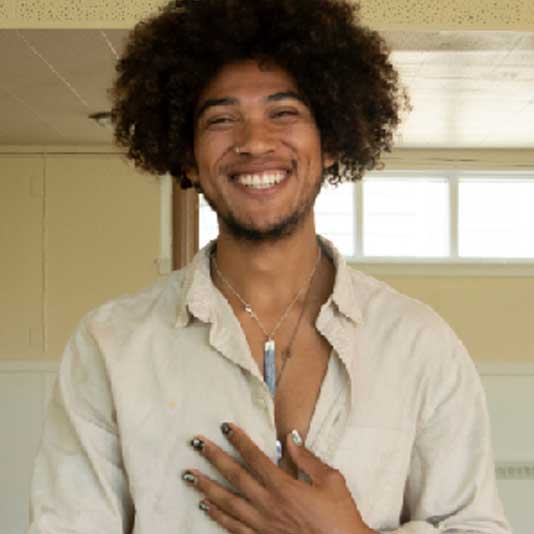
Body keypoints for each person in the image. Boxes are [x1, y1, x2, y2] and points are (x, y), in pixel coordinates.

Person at [28, 1, 511, 533]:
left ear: (331, 140)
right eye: (221, 118)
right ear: (187, 156)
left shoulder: (420, 344)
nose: (254, 141)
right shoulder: (110, 345)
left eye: (284, 112)